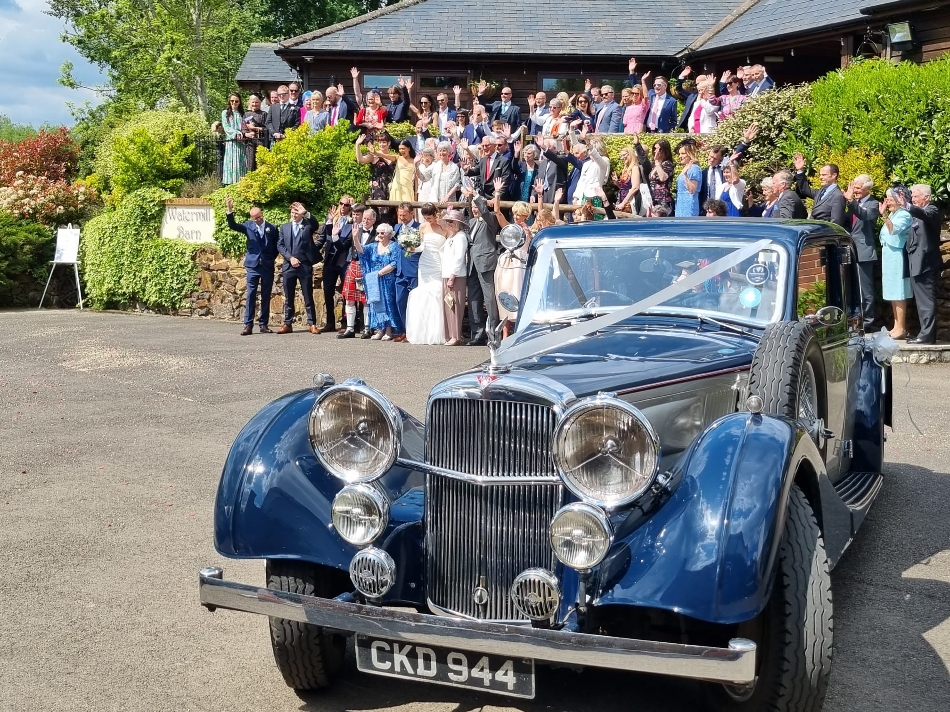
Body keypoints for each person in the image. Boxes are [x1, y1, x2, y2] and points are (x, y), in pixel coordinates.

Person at [225, 196, 278, 334]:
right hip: (253, 266)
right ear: (252, 218)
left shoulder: (272, 227)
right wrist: (230, 210)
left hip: (267, 266)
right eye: (255, 218)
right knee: (251, 295)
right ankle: (248, 325)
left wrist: (270, 259)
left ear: (262, 214)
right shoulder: (248, 226)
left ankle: (263, 325)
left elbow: (277, 246)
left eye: (259, 217)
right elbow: (233, 225)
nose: (258, 219)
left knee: (266, 295)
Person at [900, 184, 943, 344]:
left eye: (916, 196)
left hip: (926, 263)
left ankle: (927, 336)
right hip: (917, 264)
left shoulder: (931, 210)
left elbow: (923, 214)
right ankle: (925, 333)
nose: (913, 198)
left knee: (926, 301)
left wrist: (907, 205)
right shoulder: (918, 214)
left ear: (926, 197)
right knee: (921, 301)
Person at [493, 190, 534, 337]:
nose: (516, 217)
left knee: (518, 295)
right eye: (515, 213)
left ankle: (518, 333)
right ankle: (505, 334)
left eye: (519, 214)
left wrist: (529, 234)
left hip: (520, 267)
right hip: (506, 265)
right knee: (504, 294)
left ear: (526, 216)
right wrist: (497, 193)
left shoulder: (530, 230)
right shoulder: (509, 228)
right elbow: (497, 212)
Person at [276, 201, 320, 334]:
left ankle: (312, 324)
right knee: (289, 296)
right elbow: (280, 245)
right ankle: (287, 323)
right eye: (292, 212)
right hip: (289, 265)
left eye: (296, 213)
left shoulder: (307, 226)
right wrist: (290, 258)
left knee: (307, 294)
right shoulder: (284, 227)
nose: (294, 215)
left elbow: (316, 225)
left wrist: (305, 213)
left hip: (304, 265)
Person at [406, 203, 447, 344]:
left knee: (436, 294)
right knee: (423, 294)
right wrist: (411, 247)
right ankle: (422, 332)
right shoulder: (423, 227)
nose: (428, 220)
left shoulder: (444, 227)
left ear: (435, 214)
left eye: (430, 217)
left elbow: (448, 246)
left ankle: (438, 332)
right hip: (424, 264)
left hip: (438, 263)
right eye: (425, 218)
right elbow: (421, 246)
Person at [352, 222, 402, 340]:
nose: (379, 235)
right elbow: (361, 251)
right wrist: (355, 238)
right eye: (378, 233)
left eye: (382, 233)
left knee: (388, 304)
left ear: (389, 234)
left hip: (387, 279)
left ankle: (389, 331)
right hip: (375, 280)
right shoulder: (374, 246)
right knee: (376, 303)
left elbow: (394, 263)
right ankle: (380, 330)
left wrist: (380, 273)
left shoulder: (394, 246)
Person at [464, 188, 500, 345]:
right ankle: (477, 333)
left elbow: (485, 212)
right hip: (471, 264)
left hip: (485, 263)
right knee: (473, 299)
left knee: (489, 298)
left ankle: (493, 332)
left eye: (476, 206)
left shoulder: (490, 219)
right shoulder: (471, 222)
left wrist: (477, 196)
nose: (474, 209)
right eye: (472, 206)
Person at [843, 175, 880, 328]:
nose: (855, 191)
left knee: (866, 289)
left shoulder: (874, 203)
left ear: (867, 189)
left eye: (858, 188)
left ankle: (868, 322)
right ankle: (853, 320)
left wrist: (850, 201)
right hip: (850, 249)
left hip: (864, 250)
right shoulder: (854, 204)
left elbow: (864, 215)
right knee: (850, 287)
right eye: (854, 188)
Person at [316, 196, 356, 334]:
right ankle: (330, 323)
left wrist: (354, 205)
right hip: (330, 261)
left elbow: (346, 244)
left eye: (347, 205)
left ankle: (346, 323)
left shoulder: (353, 221)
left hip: (344, 261)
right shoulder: (332, 219)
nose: (343, 207)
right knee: (328, 292)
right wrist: (330, 222)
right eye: (341, 204)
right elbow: (324, 238)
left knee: (346, 293)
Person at [878, 187, 913, 339]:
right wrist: (887, 214)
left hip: (898, 256)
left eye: (891, 199)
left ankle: (902, 327)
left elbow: (894, 230)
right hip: (889, 256)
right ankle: (896, 326)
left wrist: (884, 215)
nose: (888, 202)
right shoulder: (894, 213)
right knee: (893, 291)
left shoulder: (904, 215)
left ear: (899, 200)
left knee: (899, 292)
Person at [793, 154, 847, 228]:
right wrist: (800, 170)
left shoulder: (838, 196)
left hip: (824, 235)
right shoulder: (821, 191)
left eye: (824, 175)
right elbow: (805, 190)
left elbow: (836, 224)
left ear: (834, 175)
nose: (820, 177)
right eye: (820, 175)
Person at [440, 210, 469, 346]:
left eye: (451, 221)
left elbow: (459, 258)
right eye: (448, 221)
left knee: (455, 305)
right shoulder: (451, 237)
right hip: (446, 274)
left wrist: (453, 275)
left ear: (458, 223)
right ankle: (451, 334)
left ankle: (456, 335)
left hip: (455, 276)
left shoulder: (461, 237)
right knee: (448, 304)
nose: (449, 224)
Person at [392, 203, 420, 342]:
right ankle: (403, 330)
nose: (402, 218)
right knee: (399, 301)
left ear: (411, 213)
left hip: (413, 270)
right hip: (400, 271)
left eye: (404, 215)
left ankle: (413, 332)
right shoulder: (396, 228)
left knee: (414, 303)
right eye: (400, 215)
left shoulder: (419, 228)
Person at [355, 133, 396, 222]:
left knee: (392, 213)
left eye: (384, 142)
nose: (381, 144)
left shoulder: (393, 156)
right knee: (381, 213)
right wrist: (357, 145)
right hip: (378, 188)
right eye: (380, 142)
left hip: (391, 188)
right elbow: (360, 159)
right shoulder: (374, 156)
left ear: (389, 143)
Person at [221, 94, 247, 185]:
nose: (234, 103)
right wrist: (236, 133)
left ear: (239, 102)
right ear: (229, 101)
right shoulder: (225, 113)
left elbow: (245, 127)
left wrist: (243, 134)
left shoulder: (243, 114)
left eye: (236, 101)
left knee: (241, 163)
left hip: (242, 143)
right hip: (231, 143)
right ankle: (229, 184)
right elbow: (226, 127)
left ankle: (240, 184)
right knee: (231, 163)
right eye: (232, 101)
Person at [674, 141, 702, 217]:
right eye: (679, 154)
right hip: (680, 205)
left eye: (683, 153)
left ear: (690, 154)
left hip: (689, 206)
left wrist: (685, 174)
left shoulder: (694, 168)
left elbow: (692, 190)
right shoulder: (687, 168)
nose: (680, 156)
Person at [647, 139, 675, 214]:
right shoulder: (654, 165)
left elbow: (663, 178)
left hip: (663, 201)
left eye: (659, 149)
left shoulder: (667, 164)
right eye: (655, 148)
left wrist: (657, 163)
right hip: (654, 199)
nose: (656, 151)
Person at [241, 94, 267, 173]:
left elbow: (267, 129)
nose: (254, 104)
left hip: (261, 142)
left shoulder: (264, 114)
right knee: (250, 164)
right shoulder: (246, 114)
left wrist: (255, 128)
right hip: (250, 143)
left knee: (261, 164)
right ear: (249, 103)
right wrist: (247, 134)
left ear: (260, 103)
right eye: (253, 102)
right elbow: (243, 128)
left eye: (256, 102)